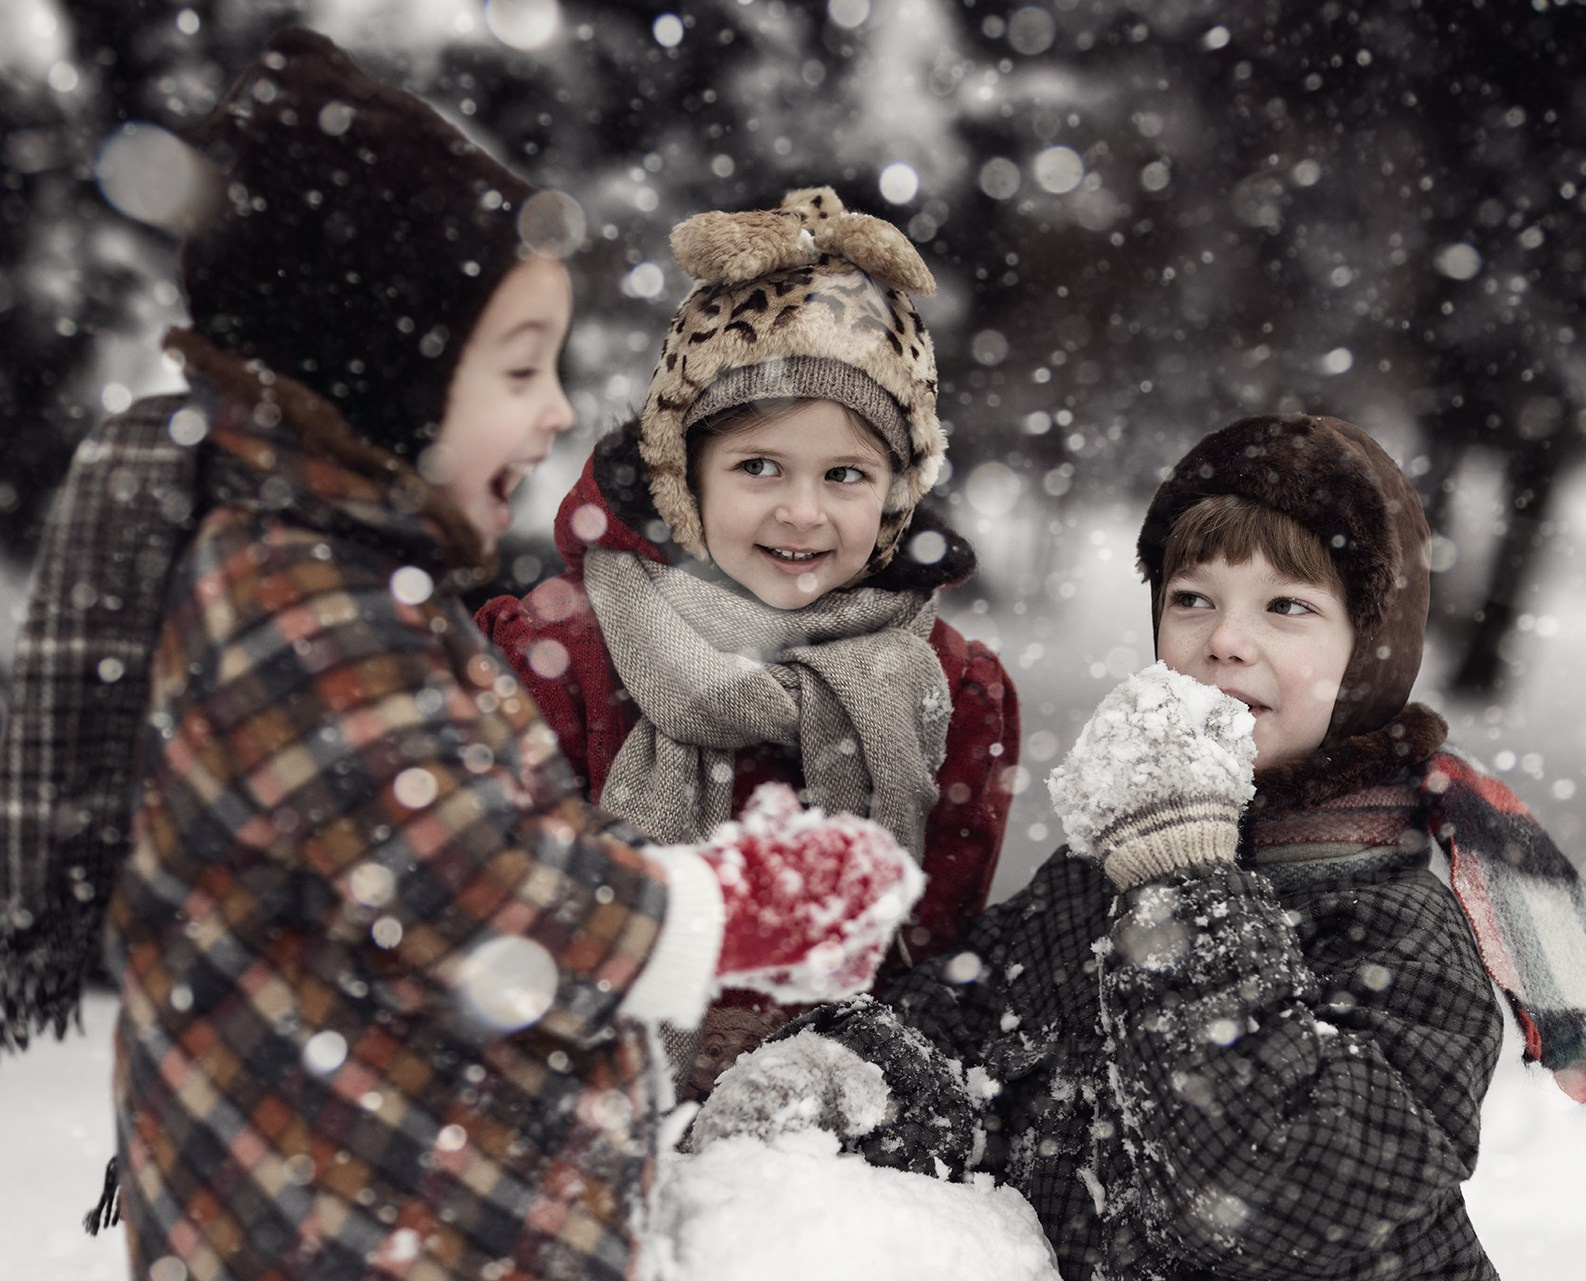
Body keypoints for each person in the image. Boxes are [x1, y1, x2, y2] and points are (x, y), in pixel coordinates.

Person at [0, 29, 920, 1281]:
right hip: (347, 1230)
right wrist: (723, 909)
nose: (554, 411)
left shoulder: (352, 580)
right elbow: (472, 885)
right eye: (520, 366)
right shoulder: (299, 609)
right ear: (392, 379)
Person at [695, 413, 1586, 1280]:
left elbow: (1275, 1187)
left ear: (1369, 656)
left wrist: (1186, 884)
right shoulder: (1102, 878)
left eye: (1288, 608)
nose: (1225, 640)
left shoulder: (1400, 928)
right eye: (1192, 599)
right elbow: (967, 1028)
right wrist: (844, 1071)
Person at [477, 187, 1019, 1094]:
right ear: (683, 473)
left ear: (894, 494)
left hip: (816, 1158)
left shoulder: (949, 689)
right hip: (583, 1109)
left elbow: (933, 964)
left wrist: (828, 1066)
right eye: (758, 466)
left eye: (845, 474)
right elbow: (509, 917)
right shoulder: (567, 653)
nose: (801, 512)